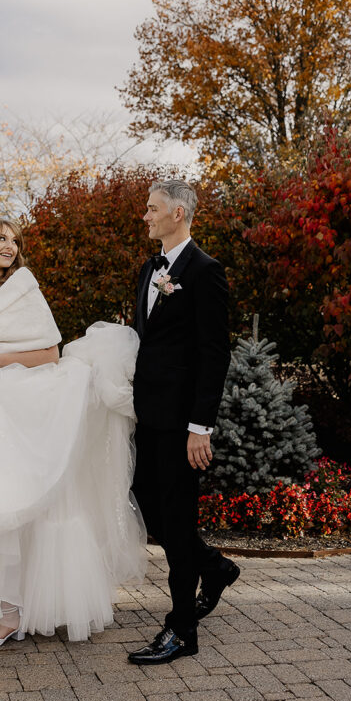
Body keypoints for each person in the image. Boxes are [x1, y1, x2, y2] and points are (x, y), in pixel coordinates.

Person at [0, 217, 145, 658]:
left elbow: (49, 352)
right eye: (0, 238)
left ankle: (11, 614)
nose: (8, 246)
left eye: (14, 240)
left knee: (17, 504)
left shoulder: (24, 288)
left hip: (19, 406)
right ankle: (9, 607)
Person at [127, 179, 240, 666]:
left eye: (152, 210)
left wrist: (201, 426)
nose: (145, 217)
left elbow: (214, 355)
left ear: (177, 213)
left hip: (181, 424)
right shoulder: (147, 271)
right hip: (146, 417)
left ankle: (181, 629)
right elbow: (145, 342)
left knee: (177, 521)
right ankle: (213, 568)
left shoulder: (205, 273)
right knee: (150, 508)